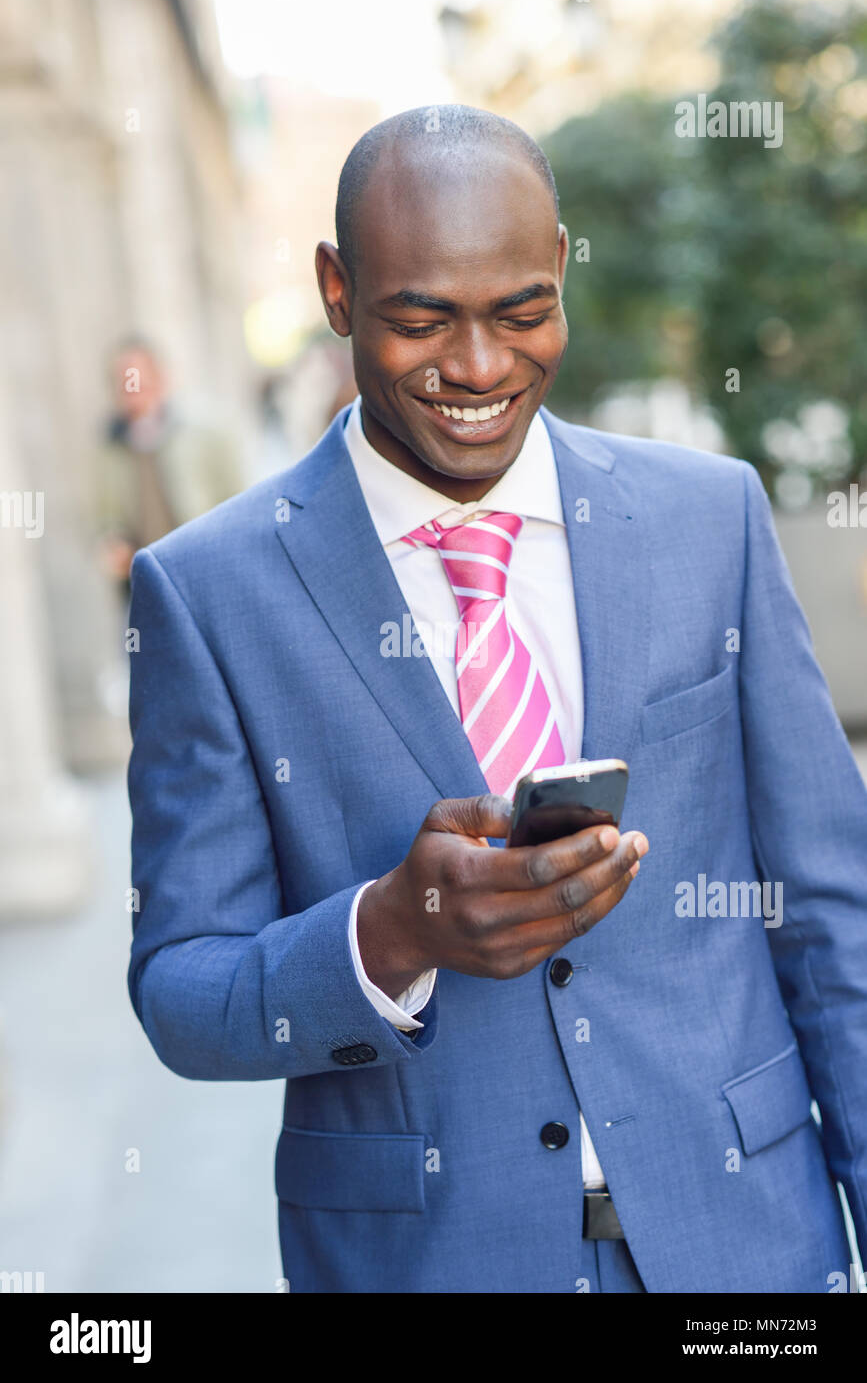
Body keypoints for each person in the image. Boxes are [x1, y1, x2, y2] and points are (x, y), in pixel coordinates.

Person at [126, 106, 867, 1294]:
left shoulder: (707, 522)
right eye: (421, 320)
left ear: (564, 269)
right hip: (425, 1261)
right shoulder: (207, 593)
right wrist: (392, 933)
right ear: (336, 290)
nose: (477, 368)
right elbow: (181, 990)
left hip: (749, 1252)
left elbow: (837, 919)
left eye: (522, 312)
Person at [94, 338, 242, 590]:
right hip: (149, 584)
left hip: (206, 570)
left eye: (139, 380)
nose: (132, 389)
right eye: (124, 383)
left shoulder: (206, 433)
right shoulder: (111, 449)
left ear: (159, 379)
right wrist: (113, 542)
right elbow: (107, 517)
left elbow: (238, 501)